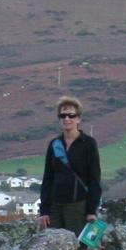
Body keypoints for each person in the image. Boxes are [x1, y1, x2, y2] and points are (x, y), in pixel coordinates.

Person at [38, 96, 101, 234]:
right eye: (63, 115)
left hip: (78, 206)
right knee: (54, 249)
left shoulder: (89, 144)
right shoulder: (54, 145)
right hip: (55, 207)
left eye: (71, 115)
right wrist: (44, 210)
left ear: (79, 119)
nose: (67, 119)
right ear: (59, 119)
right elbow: (48, 179)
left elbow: (94, 179)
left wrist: (91, 210)